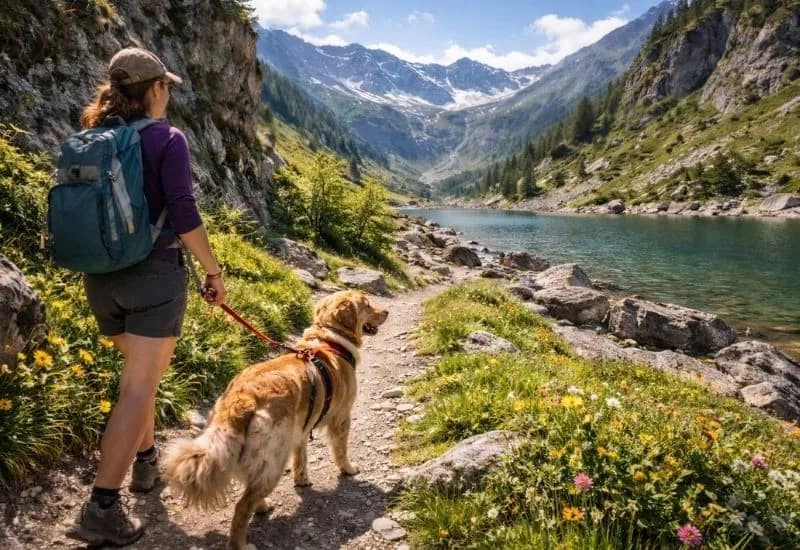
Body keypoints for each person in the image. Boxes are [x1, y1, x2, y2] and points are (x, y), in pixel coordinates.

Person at [67, 47, 226, 547]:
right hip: (153, 278)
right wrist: (213, 270)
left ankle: (144, 463)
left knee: (139, 378)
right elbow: (182, 210)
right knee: (137, 388)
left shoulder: (93, 138)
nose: (169, 94)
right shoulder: (168, 140)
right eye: (167, 86)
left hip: (100, 279)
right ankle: (101, 507)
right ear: (155, 88)